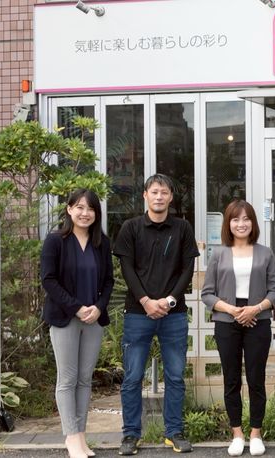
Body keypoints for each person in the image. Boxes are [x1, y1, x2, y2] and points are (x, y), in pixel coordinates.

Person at [113, 174, 200, 455]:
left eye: (164, 192)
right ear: (145, 195)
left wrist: (170, 300)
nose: (159, 196)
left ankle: (174, 432)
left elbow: (187, 269)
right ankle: (130, 434)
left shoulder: (182, 228)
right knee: (132, 377)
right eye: (154, 192)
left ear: (171, 197)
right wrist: (146, 301)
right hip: (137, 314)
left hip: (174, 315)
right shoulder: (131, 228)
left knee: (175, 376)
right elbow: (127, 269)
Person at [201, 200, 275, 457]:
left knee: (256, 379)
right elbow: (207, 294)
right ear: (228, 223)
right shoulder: (218, 254)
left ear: (253, 223)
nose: (241, 224)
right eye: (235, 219)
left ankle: (256, 433)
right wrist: (233, 310)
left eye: (246, 219)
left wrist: (254, 309)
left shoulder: (265, 253)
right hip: (227, 322)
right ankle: (237, 433)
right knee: (231, 379)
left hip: (258, 321)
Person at [41, 189, 114, 458]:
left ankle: (81, 436)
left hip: (93, 319)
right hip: (65, 319)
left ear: (97, 213)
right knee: (67, 379)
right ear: (69, 209)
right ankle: (71, 437)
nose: (85, 213)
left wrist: (98, 307)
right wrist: (77, 307)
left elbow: (108, 281)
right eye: (80, 207)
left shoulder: (101, 243)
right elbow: (48, 280)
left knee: (84, 380)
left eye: (91, 208)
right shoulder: (55, 241)